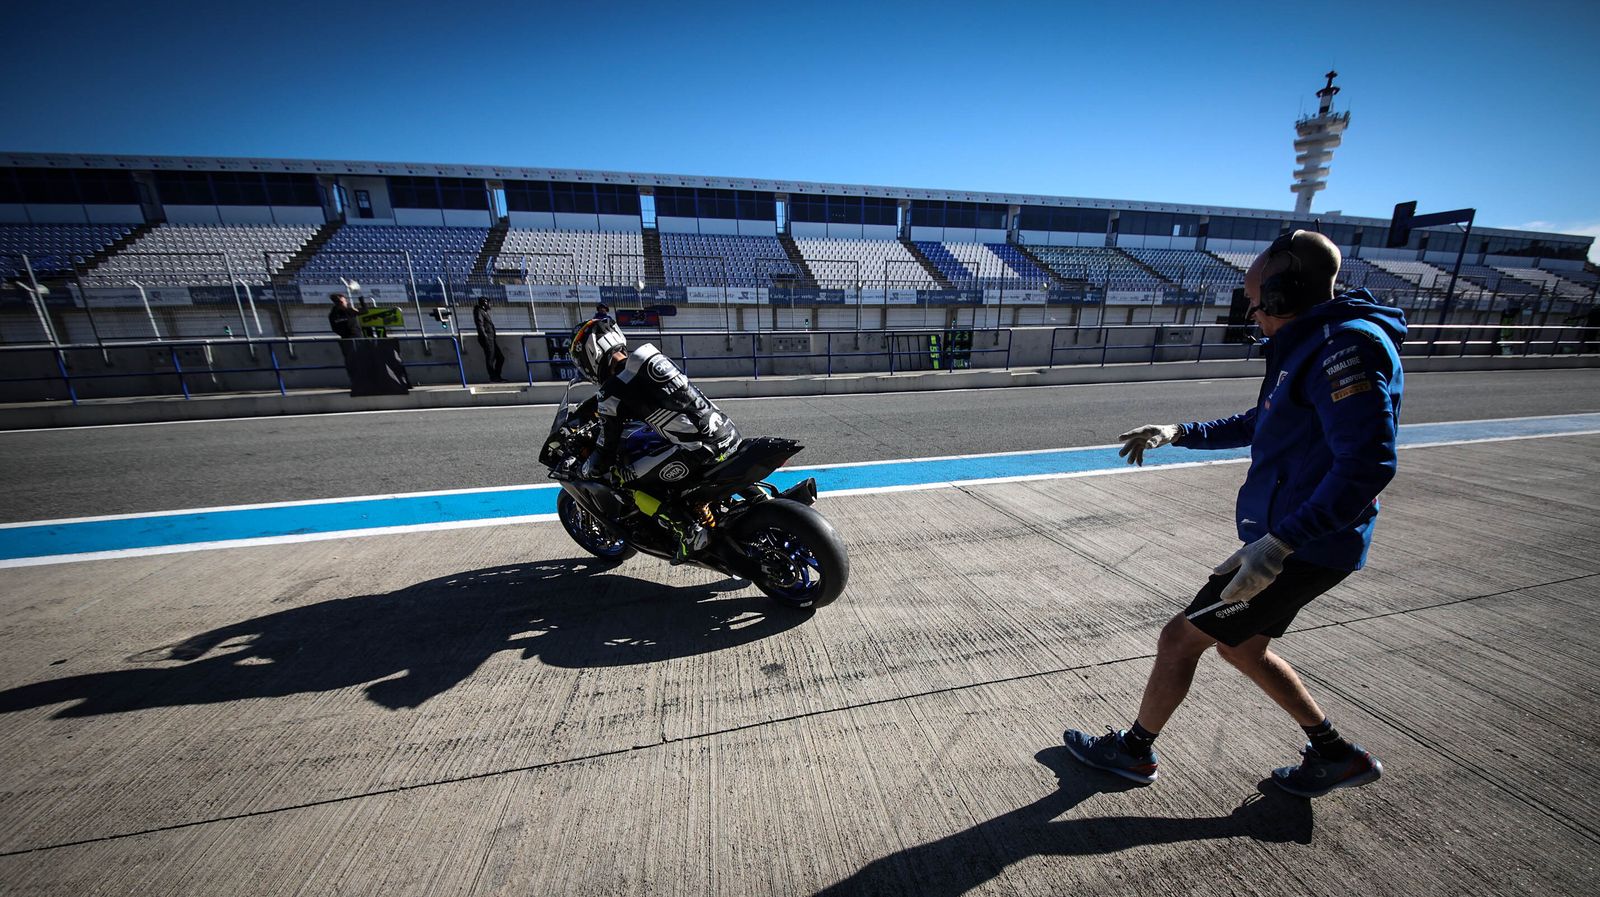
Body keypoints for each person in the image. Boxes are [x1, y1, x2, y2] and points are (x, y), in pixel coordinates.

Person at [1063, 230, 1407, 799]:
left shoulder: (1347, 348)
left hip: (1303, 545)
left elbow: (1368, 464)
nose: (1251, 311)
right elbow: (1262, 422)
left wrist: (1278, 546)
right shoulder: (1311, 345)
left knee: (1179, 639)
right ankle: (1335, 755)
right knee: (1242, 647)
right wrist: (1179, 433)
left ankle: (1133, 752)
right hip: (1298, 539)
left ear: (1281, 292)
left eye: (1254, 299)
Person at [567, 317, 740, 563]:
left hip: (697, 450)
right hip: (726, 431)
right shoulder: (651, 356)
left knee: (622, 480)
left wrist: (588, 468)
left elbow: (606, 448)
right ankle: (756, 499)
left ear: (591, 355)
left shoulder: (610, 393)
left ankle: (686, 530)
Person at [473, 297, 508, 382]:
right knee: (490, 358)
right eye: (489, 303)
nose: (490, 305)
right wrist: (485, 337)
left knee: (500, 358)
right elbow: (480, 325)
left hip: (491, 339)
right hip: (487, 339)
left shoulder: (484, 312)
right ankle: (493, 377)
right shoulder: (479, 311)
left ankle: (497, 376)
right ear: (485, 303)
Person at [327, 292, 361, 362]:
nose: (346, 303)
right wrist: (361, 298)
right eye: (344, 301)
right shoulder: (348, 311)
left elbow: (335, 329)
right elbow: (365, 310)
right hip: (354, 338)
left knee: (351, 359)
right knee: (357, 358)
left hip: (346, 339)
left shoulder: (332, 314)